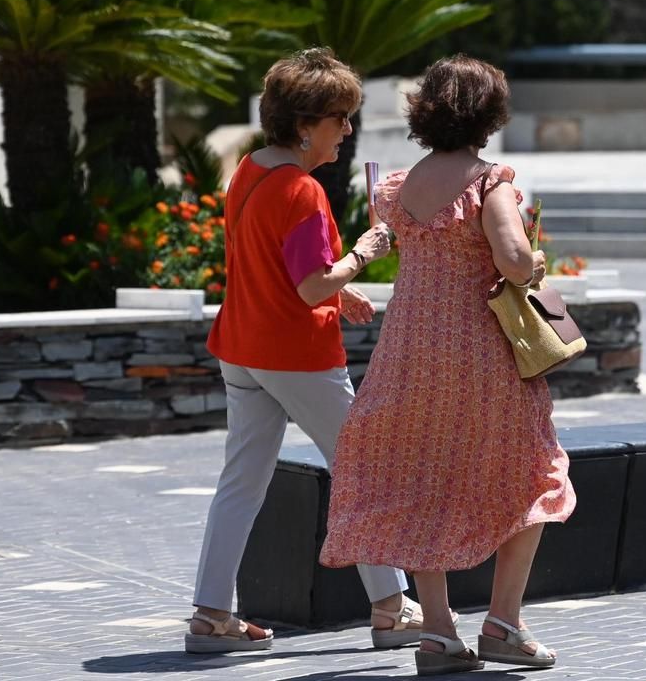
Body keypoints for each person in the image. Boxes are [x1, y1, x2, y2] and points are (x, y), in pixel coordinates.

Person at [319, 54, 574, 675]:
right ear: (488, 116)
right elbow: (515, 261)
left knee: (420, 480)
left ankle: (437, 633)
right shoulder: (492, 183)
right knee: (536, 471)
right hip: (480, 357)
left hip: (409, 353)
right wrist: (535, 267)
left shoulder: (398, 187)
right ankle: (503, 623)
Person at [186, 48, 426, 654]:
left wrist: (333, 291)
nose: (348, 130)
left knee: (241, 481)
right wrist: (364, 254)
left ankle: (211, 616)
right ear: (303, 125)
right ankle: (392, 610)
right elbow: (309, 283)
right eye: (339, 118)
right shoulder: (303, 191)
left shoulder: (250, 170)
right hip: (295, 354)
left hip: (240, 347)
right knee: (364, 469)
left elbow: (268, 260)